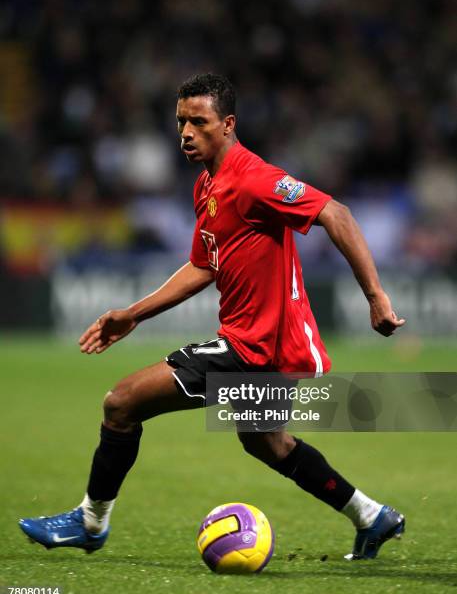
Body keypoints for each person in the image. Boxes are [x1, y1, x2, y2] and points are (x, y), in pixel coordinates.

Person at [19, 73, 406, 560]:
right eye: (180, 121)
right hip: (264, 345)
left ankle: (91, 522)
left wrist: (375, 295)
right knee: (267, 443)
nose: (185, 132)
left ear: (227, 124)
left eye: (198, 122)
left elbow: (337, 213)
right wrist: (134, 315)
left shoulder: (255, 179)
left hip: (255, 347)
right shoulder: (208, 185)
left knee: (121, 404)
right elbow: (205, 265)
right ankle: (372, 517)